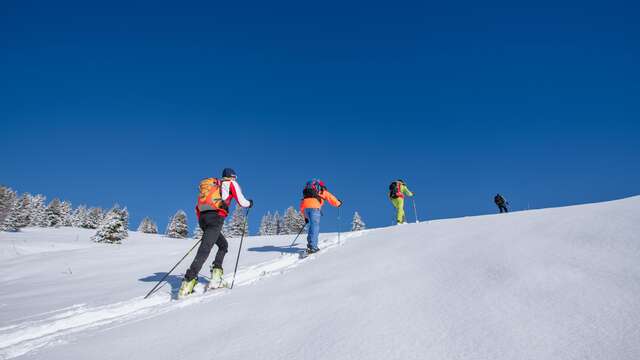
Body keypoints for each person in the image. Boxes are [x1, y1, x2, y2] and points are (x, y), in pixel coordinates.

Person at [178, 168, 253, 297]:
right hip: (215, 218)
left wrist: (205, 223)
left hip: (203, 219)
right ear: (232, 176)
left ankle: (216, 276)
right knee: (205, 249)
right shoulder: (231, 183)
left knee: (223, 245)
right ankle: (189, 281)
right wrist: (250, 203)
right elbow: (242, 202)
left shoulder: (213, 186)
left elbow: (200, 206)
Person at [299, 179, 342, 254]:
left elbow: (302, 204)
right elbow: (330, 198)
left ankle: (310, 244)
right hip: (314, 208)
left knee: (312, 226)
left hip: (306, 208)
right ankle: (313, 247)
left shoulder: (306, 194)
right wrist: (338, 203)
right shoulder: (322, 191)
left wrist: (305, 217)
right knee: (315, 227)